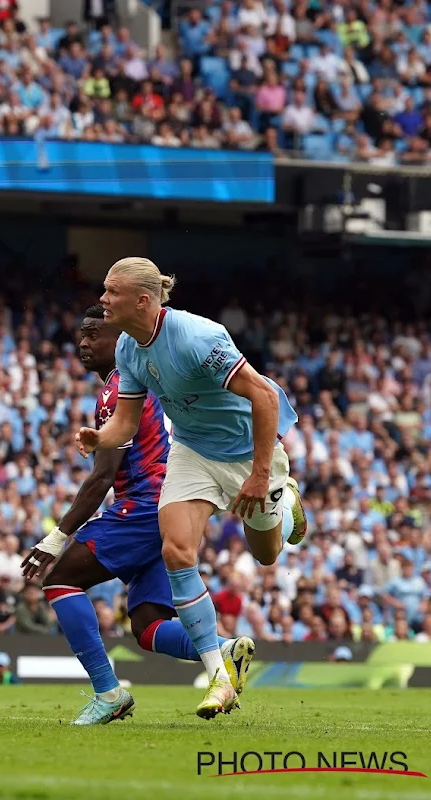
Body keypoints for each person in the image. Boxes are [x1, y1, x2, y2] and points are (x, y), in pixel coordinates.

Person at [76, 257, 306, 719]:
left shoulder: (198, 336)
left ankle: (287, 503)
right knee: (177, 552)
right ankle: (219, 675)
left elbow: (262, 396)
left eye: (111, 291)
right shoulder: (127, 347)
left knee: (266, 553)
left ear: (142, 300)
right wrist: (100, 438)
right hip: (192, 452)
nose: (102, 299)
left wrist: (261, 475)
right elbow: (124, 422)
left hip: (247, 453)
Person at [22, 306, 255, 725]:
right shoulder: (146, 381)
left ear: (121, 341)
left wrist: (54, 539)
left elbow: (103, 476)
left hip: (145, 507)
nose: (83, 342)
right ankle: (223, 650)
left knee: (60, 579)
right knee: (147, 626)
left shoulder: (119, 391)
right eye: (82, 334)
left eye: (94, 334)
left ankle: (109, 693)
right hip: (167, 506)